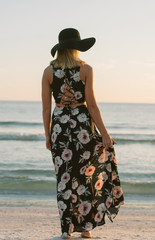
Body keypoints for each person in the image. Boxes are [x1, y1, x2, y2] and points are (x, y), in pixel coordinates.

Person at [42, 28, 125, 239]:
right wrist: (105, 134)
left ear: (60, 49)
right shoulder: (86, 69)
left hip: (59, 129)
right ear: (77, 48)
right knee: (85, 176)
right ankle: (85, 228)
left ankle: (66, 230)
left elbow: (45, 109)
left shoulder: (48, 72)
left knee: (64, 179)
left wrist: (47, 135)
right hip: (82, 129)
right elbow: (92, 106)